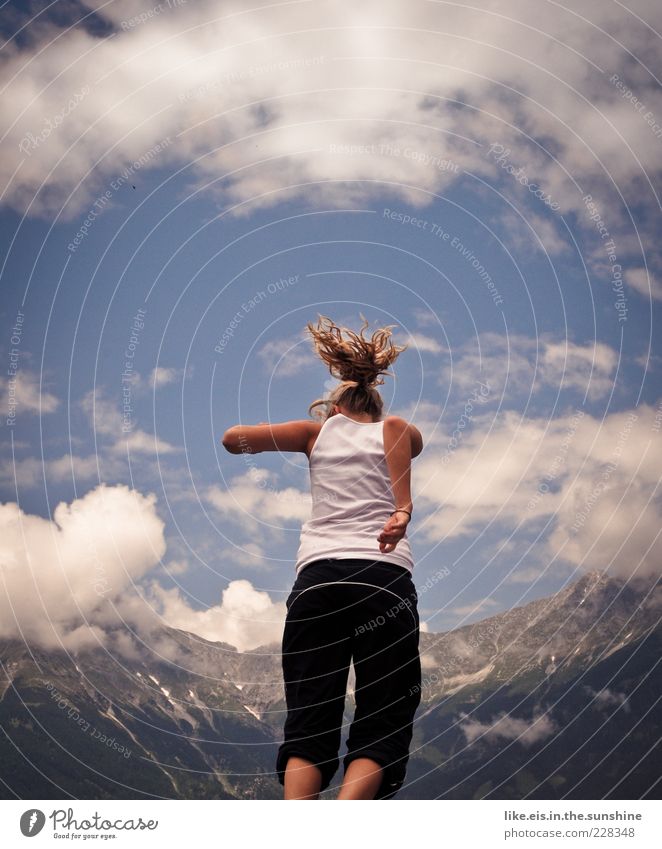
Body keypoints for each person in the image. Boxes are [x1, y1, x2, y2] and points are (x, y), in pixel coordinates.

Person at [222, 314, 423, 800]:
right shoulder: (395, 431)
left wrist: (306, 430)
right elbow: (402, 436)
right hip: (383, 582)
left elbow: (233, 439)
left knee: (310, 716)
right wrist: (401, 509)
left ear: (335, 406)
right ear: (375, 405)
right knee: (384, 712)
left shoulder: (316, 435)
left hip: (318, 582)